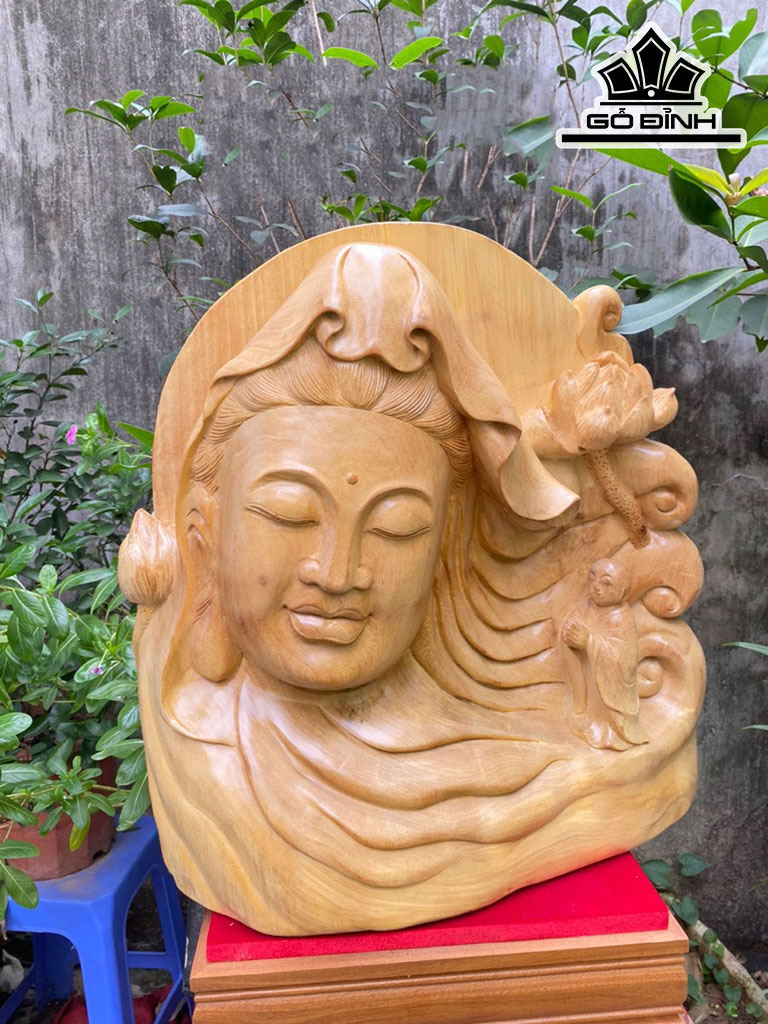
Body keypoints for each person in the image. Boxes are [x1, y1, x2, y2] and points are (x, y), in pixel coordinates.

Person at [120, 242, 702, 934]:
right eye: (290, 514)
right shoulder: (196, 746)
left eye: (396, 527)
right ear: (202, 533)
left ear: (443, 548)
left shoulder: (546, 781)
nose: (336, 573)